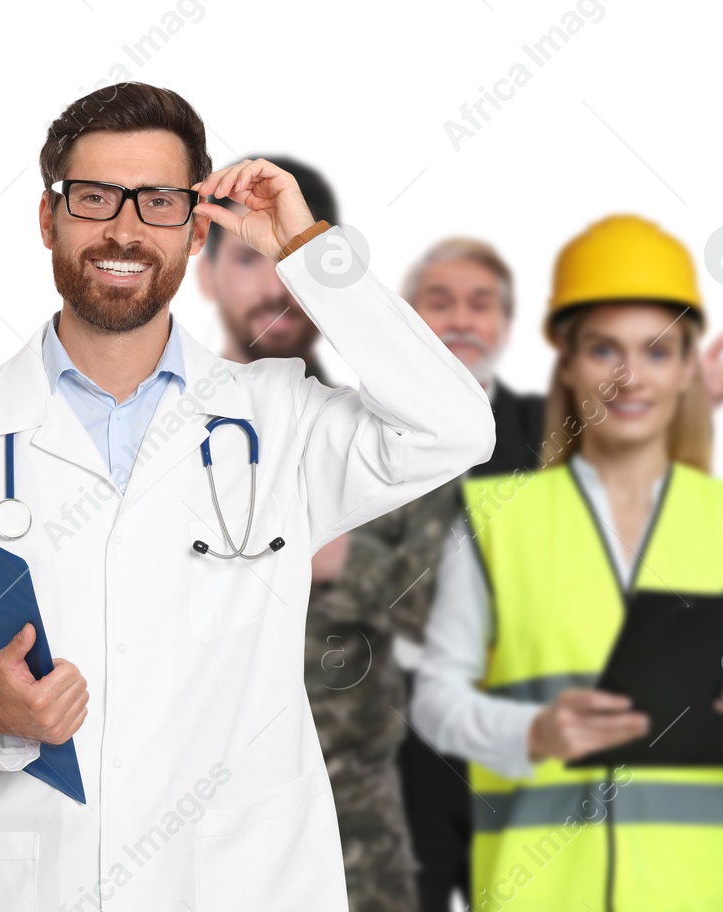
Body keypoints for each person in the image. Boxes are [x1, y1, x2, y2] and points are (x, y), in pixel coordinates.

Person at [0, 82, 496, 910]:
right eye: (95, 198)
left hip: (241, 881)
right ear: (48, 220)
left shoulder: (277, 418)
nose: (125, 229)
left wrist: (308, 252)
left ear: (194, 224)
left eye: (159, 202)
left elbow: (457, 428)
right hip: (47, 878)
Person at [410, 215, 723, 910]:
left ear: (689, 366)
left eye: (657, 353)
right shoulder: (495, 519)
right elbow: (436, 700)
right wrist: (530, 731)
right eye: (604, 350)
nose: (630, 377)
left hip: (703, 894)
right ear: (566, 362)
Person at [196, 154, 421, 912]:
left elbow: (456, 607)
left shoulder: (389, 429)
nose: (274, 284)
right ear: (206, 273)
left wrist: (346, 562)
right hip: (210, 818)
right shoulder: (170, 430)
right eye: (250, 260)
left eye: (290, 260)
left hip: (360, 810)